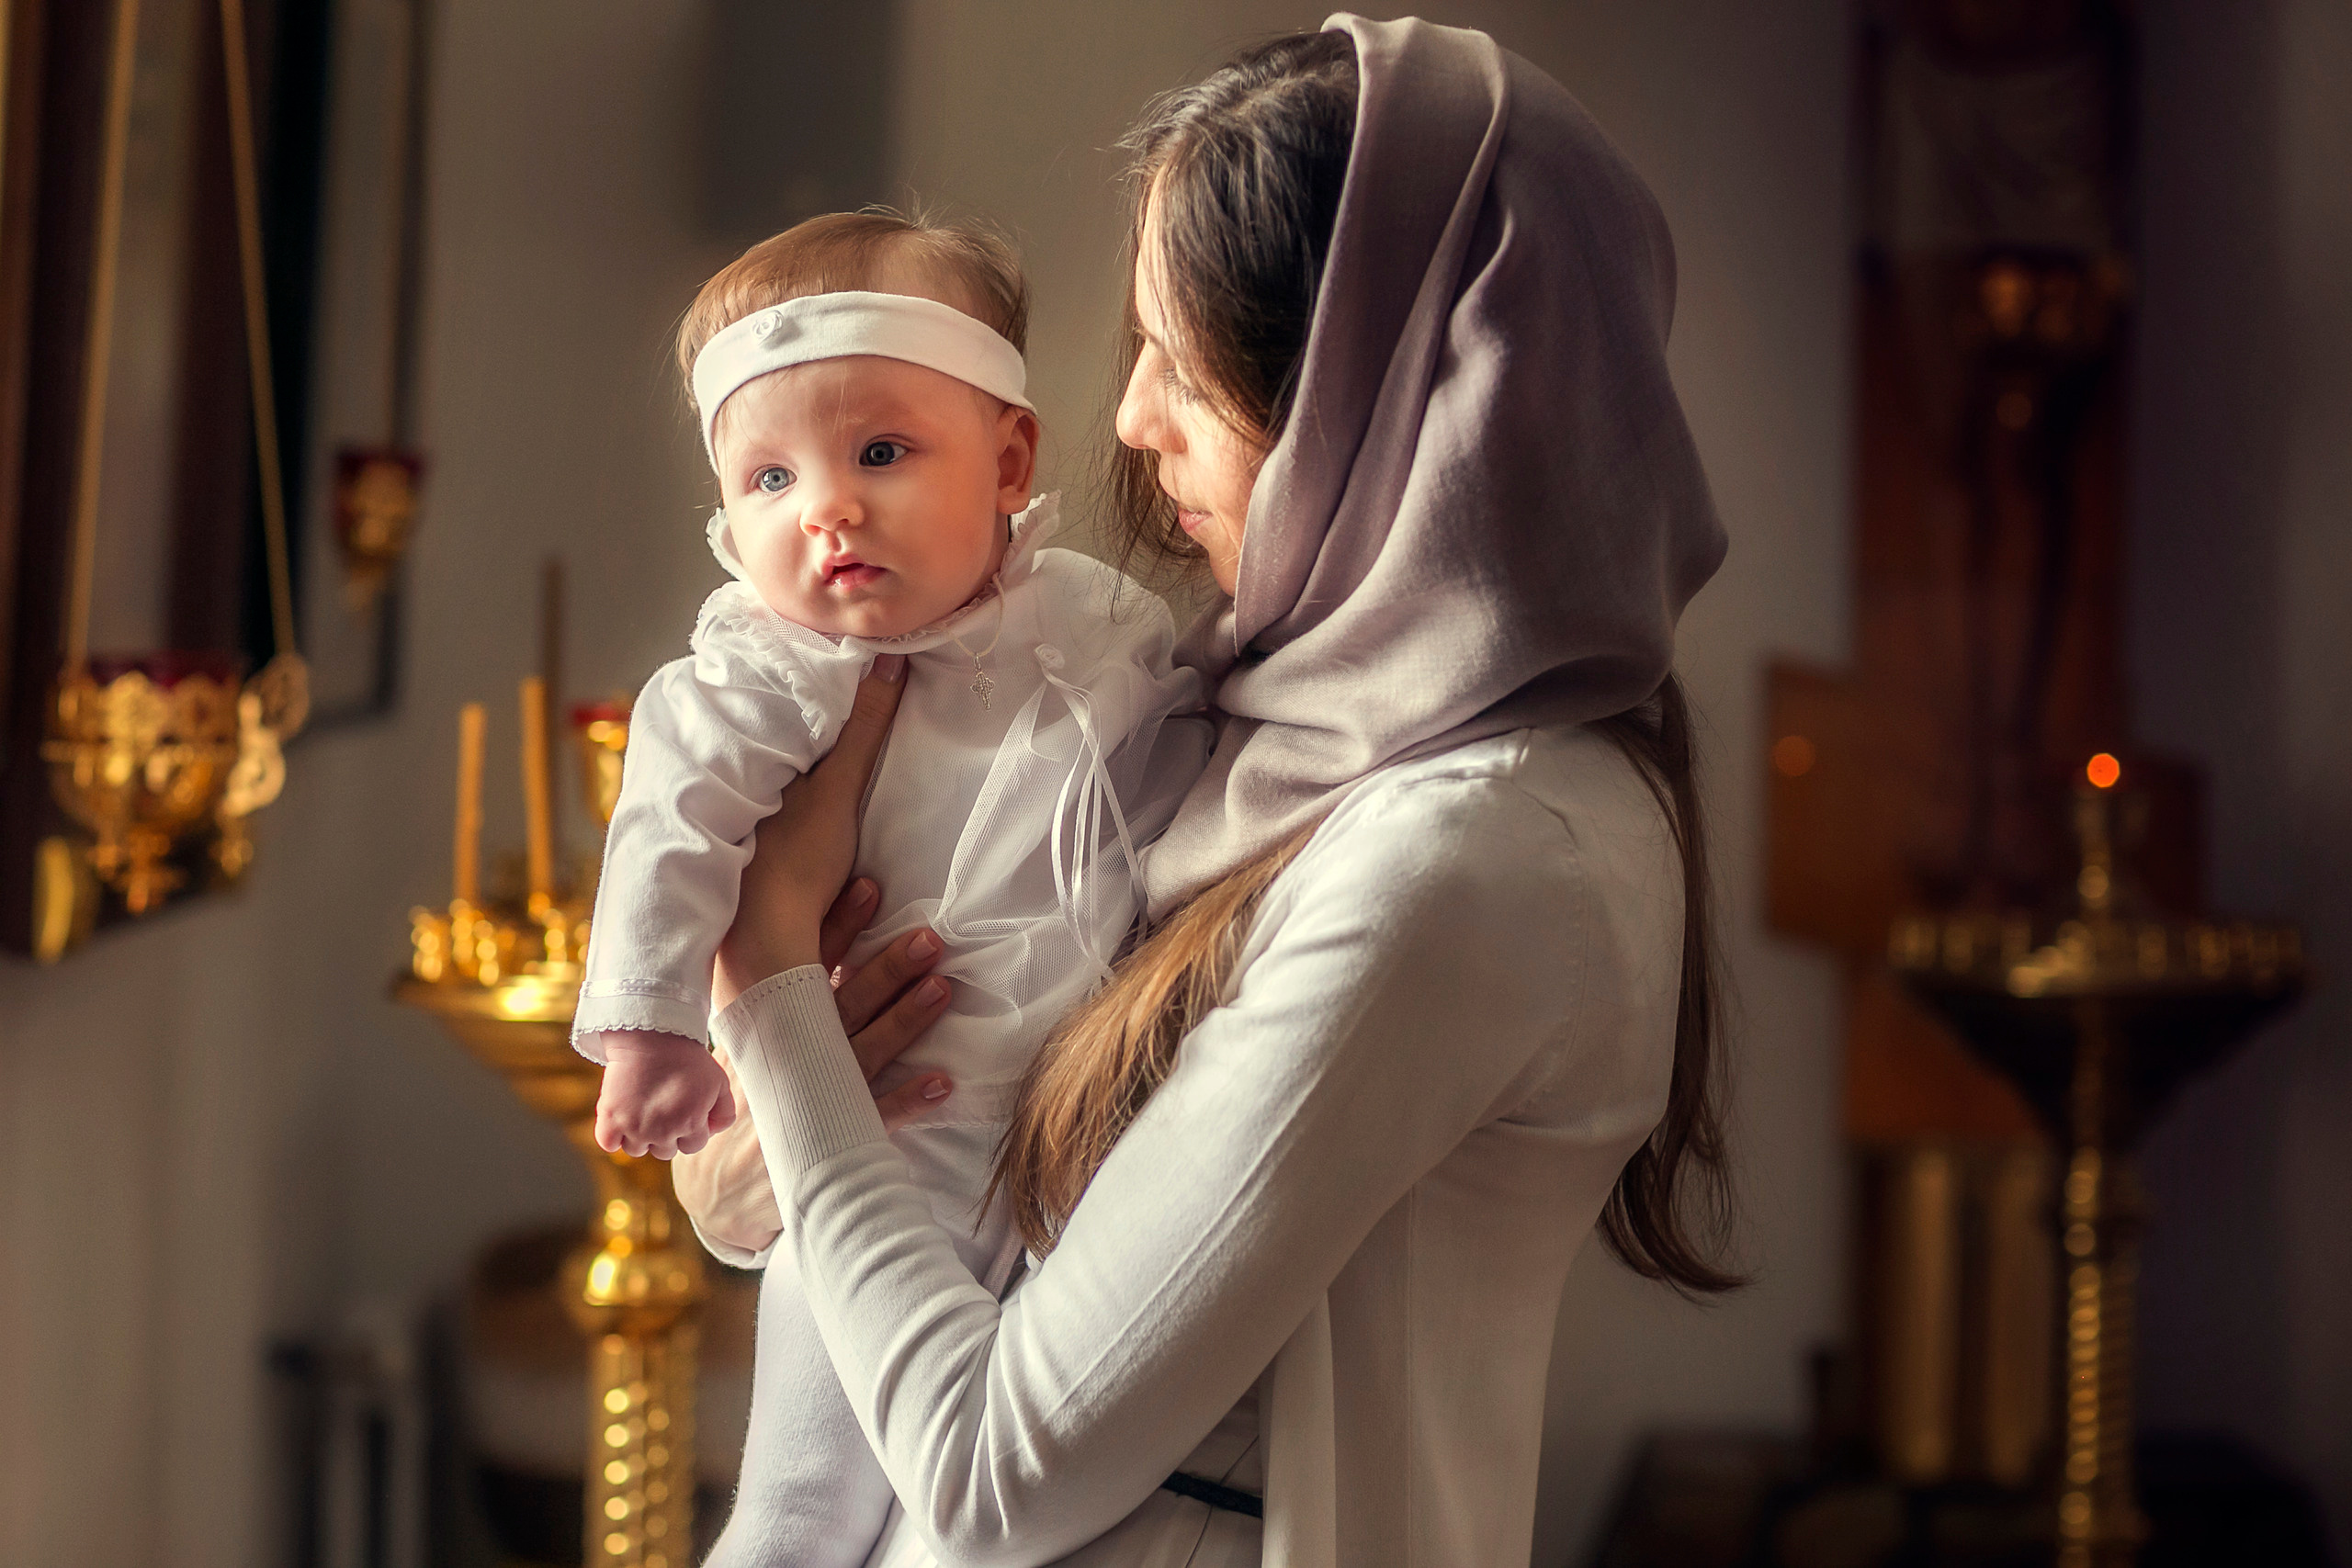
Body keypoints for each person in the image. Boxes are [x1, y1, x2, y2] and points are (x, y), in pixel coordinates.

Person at [677, 16, 1737, 1565]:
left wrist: (772, 980)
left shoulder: (1470, 852)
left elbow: (994, 1475)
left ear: (1361, 392)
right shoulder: (1250, 740)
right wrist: (773, 1134)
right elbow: (906, 1180)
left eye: (1184, 361)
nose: (1128, 417)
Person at [573, 211, 1205, 1566]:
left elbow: (1173, 789)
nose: (827, 511)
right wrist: (653, 1030)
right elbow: (668, 828)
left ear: (1010, 459)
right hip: (886, 1141)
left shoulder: (1104, 624)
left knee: (952, 1515)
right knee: (805, 1500)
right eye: (768, 481)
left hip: (1069, 1153)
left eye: (879, 453)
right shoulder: (767, 671)